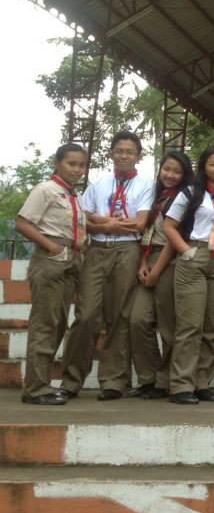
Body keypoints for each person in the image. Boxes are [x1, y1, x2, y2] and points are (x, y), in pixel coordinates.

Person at [60, 131, 153, 401]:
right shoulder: (98, 184)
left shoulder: (146, 184)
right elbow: (83, 220)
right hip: (98, 249)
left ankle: (113, 380)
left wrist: (106, 222)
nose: (124, 156)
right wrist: (103, 225)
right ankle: (71, 379)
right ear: (111, 153)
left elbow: (140, 223)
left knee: (119, 316)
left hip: (128, 249)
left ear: (138, 156)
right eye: (119, 150)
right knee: (86, 314)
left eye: (130, 152)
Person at [163, 147, 214, 405]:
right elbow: (169, 225)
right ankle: (181, 385)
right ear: (204, 168)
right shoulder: (191, 193)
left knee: (211, 327)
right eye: (213, 164)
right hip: (195, 255)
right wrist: (186, 252)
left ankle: (201, 382)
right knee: (190, 326)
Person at [16, 143, 88, 405]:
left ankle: (42, 384)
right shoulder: (45, 190)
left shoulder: (74, 195)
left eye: (81, 165)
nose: (77, 170)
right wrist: (53, 247)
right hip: (50, 259)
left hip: (70, 260)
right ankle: (35, 388)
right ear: (58, 163)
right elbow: (23, 223)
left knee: (57, 323)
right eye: (72, 164)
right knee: (45, 323)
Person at [128, 151, 193, 400]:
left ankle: (164, 381)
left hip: (172, 260)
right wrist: (144, 261)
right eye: (167, 169)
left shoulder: (184, 198)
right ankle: (149, 377)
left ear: (184, 175)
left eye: (176, 171)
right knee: (138, 320)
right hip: (149, 257)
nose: (170, 175)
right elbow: (147, 232)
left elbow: (173, 237)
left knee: (169, 326)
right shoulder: (154, 196)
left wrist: (156, 271)